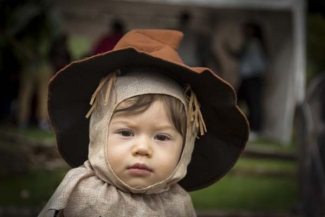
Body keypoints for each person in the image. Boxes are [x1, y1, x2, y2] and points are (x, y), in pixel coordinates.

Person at [38, 29, 249, 217]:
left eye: (162, 137)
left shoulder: (178, 203)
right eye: (126, 132)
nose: (142, 149)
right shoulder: (84, 195)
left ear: (186, 147)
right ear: (99, 132)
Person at [224, 21, 268, 140]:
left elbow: (253, 61)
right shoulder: (250, 43)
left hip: (253, 77)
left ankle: (254, 129)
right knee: (242, 102)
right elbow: (240, 55)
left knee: (252, 103)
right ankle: (241, 127)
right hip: (248, 77)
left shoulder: (254, 43)